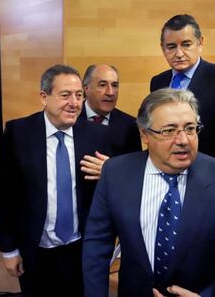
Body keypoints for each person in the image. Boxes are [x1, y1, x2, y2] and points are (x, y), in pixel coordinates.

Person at [83, 88, 215, 297]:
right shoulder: (115, 173)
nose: (183, 140)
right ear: (144, 134)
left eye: (190, 128)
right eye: (169, 130)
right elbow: (97, 245)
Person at [0, 64, 112, 297]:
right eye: (65, 95)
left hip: (81, 248)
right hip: (35, 248)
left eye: (79, 95)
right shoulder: (18, 133)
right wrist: (8, 249)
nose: (74, 103)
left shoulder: (97, 135)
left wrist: (110, 171)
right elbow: (6, 196)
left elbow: (110, 194)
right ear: (44, 97)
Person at [150, 14, 215, 157]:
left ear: (200, 42)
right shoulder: (157, 82)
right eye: (171, 46)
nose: (179, 54)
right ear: (163, 48)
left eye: (186, 45)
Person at [81, 64, 142, 155]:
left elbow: (135, 165)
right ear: (86, 88)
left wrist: (110, 167)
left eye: (114, 85)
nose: (110, 92)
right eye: (102, 85)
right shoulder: (71, 118)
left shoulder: (130, 125)